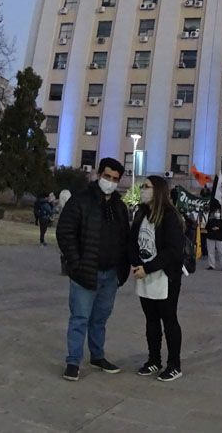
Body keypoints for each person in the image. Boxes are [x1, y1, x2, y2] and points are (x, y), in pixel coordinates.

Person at [57, 158, 130, 382]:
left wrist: (122, 269)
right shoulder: (81, 200)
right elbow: (65, 232)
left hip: (110, 274)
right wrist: (76, 263)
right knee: (79, 317)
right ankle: (73, 361)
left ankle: (97, 356)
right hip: (85, 271)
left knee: (100, 318)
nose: (110, 182)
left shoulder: (119, 206)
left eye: (115, 179)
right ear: (99, 174)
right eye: (107, 177)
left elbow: (125, 238)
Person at [129, 175, 186, 383]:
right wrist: (136, 263)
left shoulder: (170, 216)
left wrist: (149, 268)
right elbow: (132, 241)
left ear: (158, 190)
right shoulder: (141, 213)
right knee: (151, 320)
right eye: (142, 186)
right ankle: (154, 359)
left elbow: (172, 250)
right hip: (143, 274)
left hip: (165, 276)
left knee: (168, 320)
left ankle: (174, 364)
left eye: (147, 187)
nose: (143, 190)